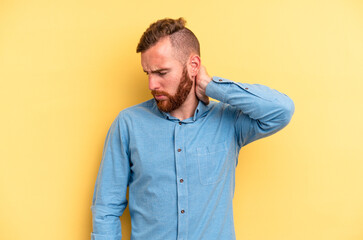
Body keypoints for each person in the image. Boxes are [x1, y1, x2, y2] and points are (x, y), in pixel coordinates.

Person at [91, 17, 295, 240]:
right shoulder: (128, 124)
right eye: (147, 74)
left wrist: (212, 86)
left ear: (193, 65)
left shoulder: (228, 121)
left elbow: (281, 110)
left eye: (162, 72)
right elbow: (106, 209)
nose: (152, 85)